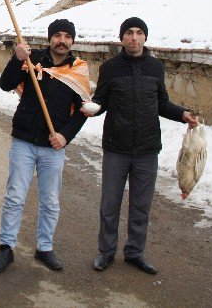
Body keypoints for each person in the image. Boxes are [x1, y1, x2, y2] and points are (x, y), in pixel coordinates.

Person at [84, 17, 198, 275]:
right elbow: (100, 101)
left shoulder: (156, 67)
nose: (133, 38)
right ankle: (106, 251)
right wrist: (91, 109)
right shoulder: (110, 68)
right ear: (121, 38)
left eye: (138, 33)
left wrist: (183, 115)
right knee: (110, 204)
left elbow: (162, 103)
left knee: (141, 205)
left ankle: (135, 252)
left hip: (147, 149)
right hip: (116, 147)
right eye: (128, 33)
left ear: (145, 37)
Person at [0, 19, 89, 273]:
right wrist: (16, 58)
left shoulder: (78, 70)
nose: (62, 40)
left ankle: (44, 247)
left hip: (53, 146)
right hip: (24, 140)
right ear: (50, 38)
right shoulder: (32, 61)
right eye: (57, 35)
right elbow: (5, 84)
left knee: (50, 201)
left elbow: (81, 112)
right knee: (14, 197)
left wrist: (65, 136)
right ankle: (6, 248)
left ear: (73, 41)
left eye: (67, 36)